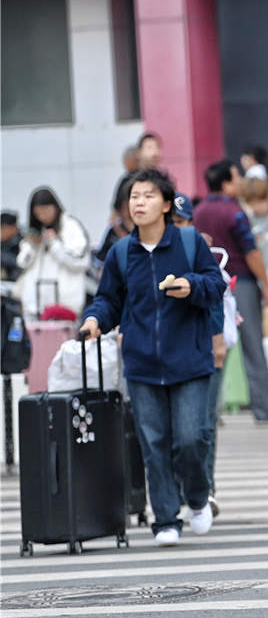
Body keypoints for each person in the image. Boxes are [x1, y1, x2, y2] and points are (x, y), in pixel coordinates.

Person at [80, 169, 225, 547]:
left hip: (189, 362)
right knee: (154, 443)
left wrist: (190, 286)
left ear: (165, 204)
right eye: (134, 197)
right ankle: (165, 519)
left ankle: (196, 496)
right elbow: (109, 299)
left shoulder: (190, 243)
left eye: (147, 196)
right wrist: (95, 319)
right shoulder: (121, 252)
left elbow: (216, 286)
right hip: (142, 365)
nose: (139, 203)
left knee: (192, 440)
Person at [193, 160, 268, 424]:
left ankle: (209, 412)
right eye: (236, 176)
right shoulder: (234, 213)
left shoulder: (198, 212)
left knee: (215, 348)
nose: (241, 180)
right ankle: (265, 410)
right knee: (253, 346)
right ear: (227, 183)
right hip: (240, 283)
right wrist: (266, 284)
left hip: (208, 284)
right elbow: (251, 252)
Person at [172, 192, 225, 517]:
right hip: (168, 353)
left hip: (205, 348)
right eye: (172, 222)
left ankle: (206, 490)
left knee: (202, 425)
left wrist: (217, 342)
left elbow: (216, 296)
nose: (177, 228)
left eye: (182, 222)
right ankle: (177, 493)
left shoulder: (198, 251)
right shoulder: (150, 254)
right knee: (174, 429)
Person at [15, 187, 91, 318]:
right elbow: (22, 263)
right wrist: (33, 245)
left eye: (46, 211)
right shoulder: (34, 232)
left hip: (65, 306)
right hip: (35, 306)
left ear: (55, 207)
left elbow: (81, 262)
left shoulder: (70, 226)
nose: (43, 217)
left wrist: (55, 244)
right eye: (38, 213)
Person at [2, 211, 23, 281]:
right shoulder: (3, 243)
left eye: (3, 228)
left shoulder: (23, 242)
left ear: (14, 228)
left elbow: (21, 263)